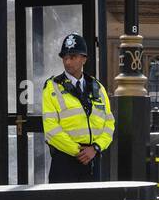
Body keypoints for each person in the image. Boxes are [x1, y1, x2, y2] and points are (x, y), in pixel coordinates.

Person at [41, 33, 115, 183]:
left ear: (84, 59)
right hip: (65, 160)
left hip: (93, 159)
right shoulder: (52, 87)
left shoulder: (97, 87)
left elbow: (109, 124)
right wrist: (79, 152)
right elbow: (51, 129)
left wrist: (95, 148)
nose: (67, 62)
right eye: (65, 58)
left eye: (73, 57)